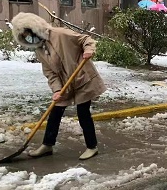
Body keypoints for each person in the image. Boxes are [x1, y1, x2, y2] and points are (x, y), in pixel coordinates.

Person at [11, 12, 106, 160]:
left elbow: (85, 39)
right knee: (55, 112)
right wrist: (57, 89)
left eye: (28, 34)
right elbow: (50, 73)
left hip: (82, 78)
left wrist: (88, 50)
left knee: (83, 112)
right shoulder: (40, 50)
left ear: (34, 28)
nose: (28, 38)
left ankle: (92, 147)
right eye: (24, 37)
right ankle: (47, 145)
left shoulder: (60, 34)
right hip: (65, 85)